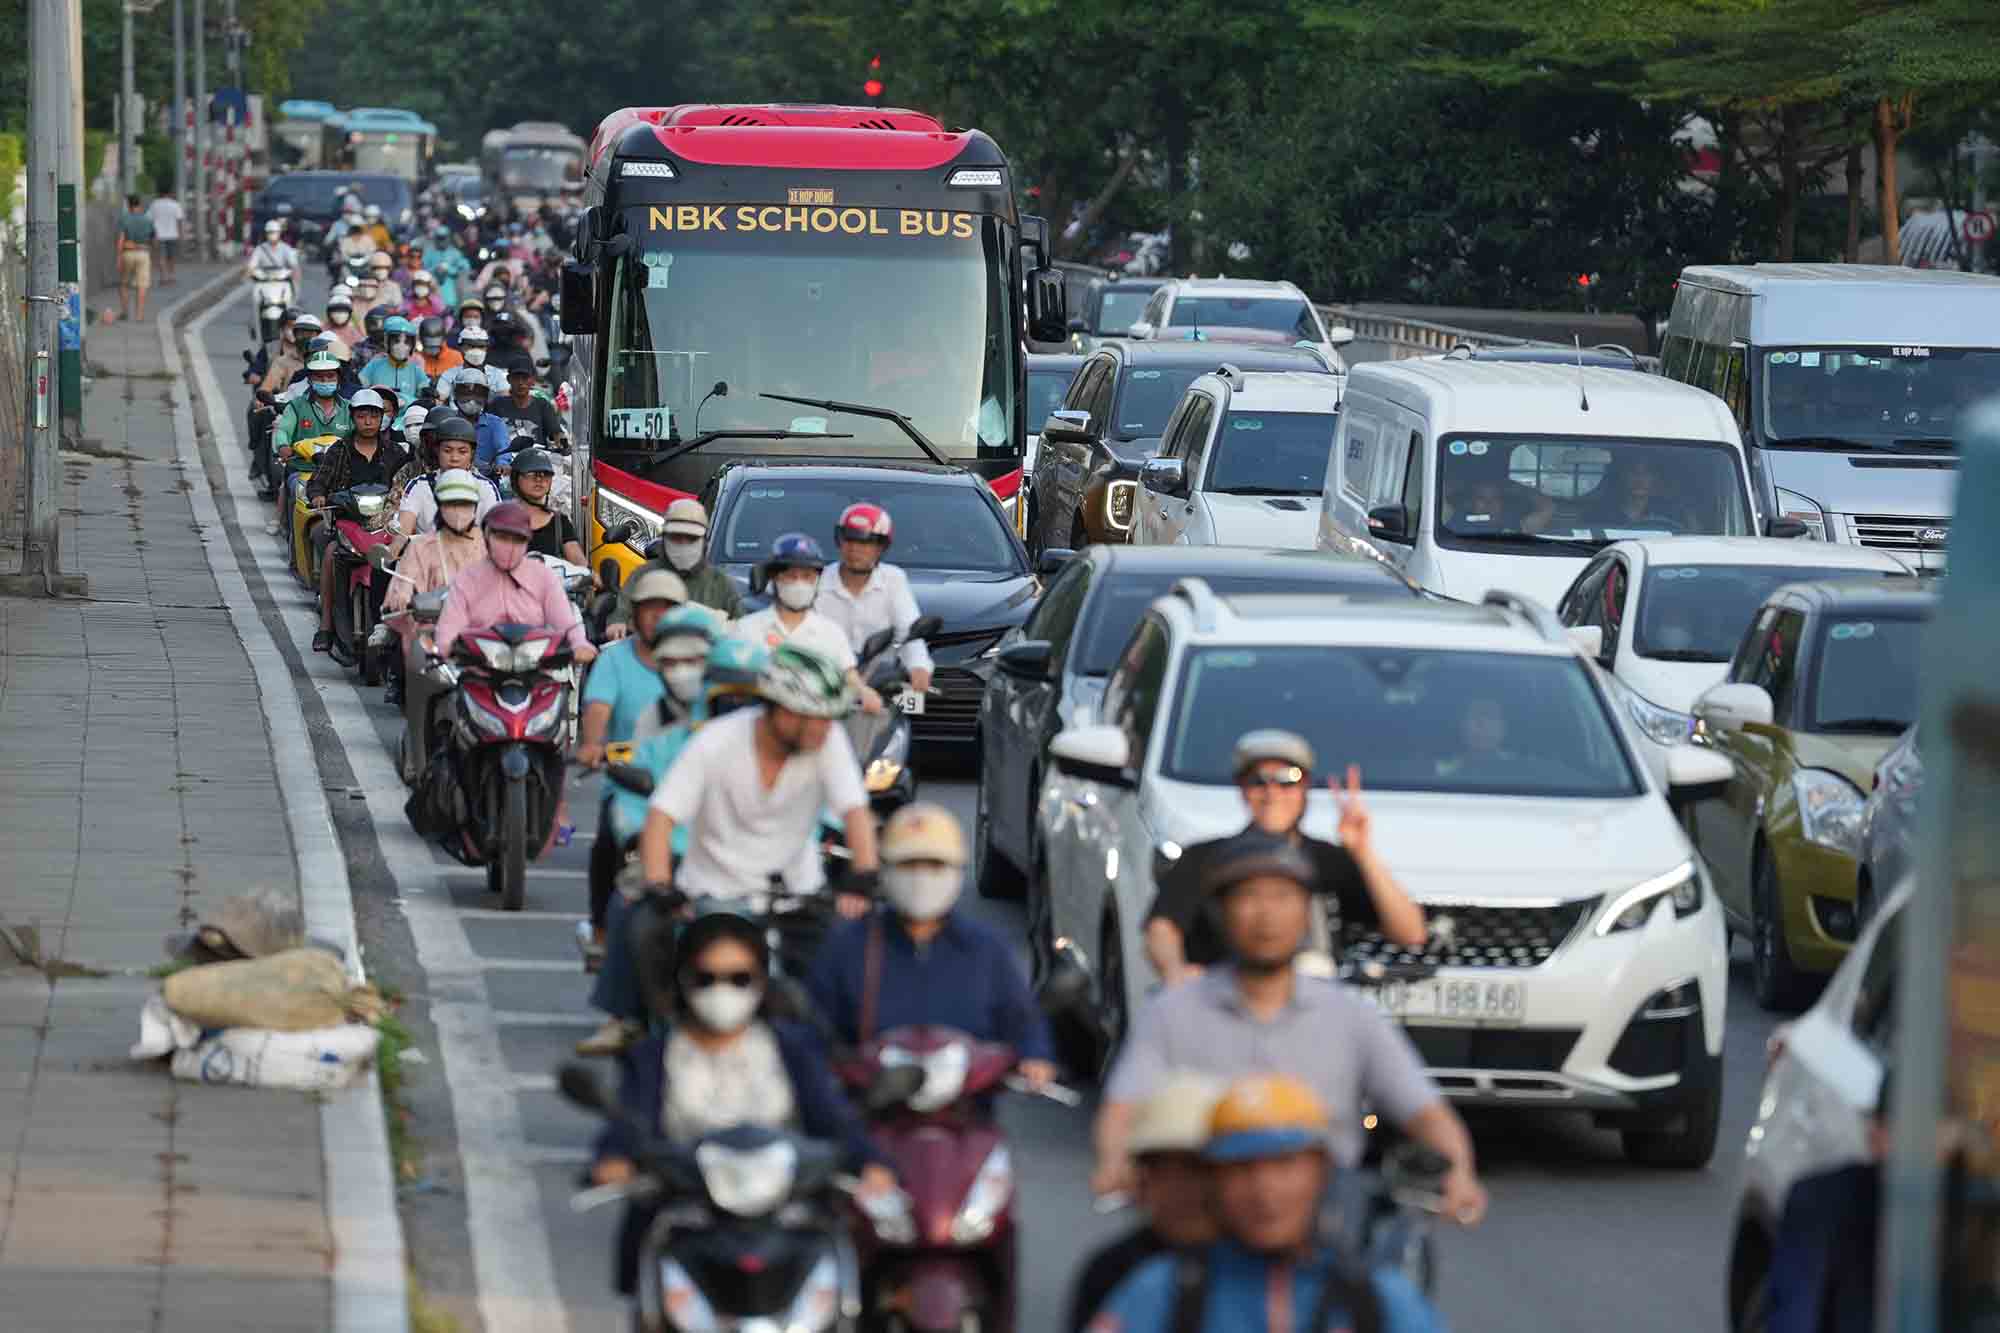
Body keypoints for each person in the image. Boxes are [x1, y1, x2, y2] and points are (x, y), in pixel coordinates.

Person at [1094, 836, 1488, 1225]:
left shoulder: (1352, 1017)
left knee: (1394, 1287)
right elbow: (1124, 1104)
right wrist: (1115, 1161)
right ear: (1221, 913)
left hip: (1330, 1219)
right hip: (1207, 1212)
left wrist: (1459, 1169)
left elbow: (1424, 1110)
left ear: (1305, 914)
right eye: (1248, 897)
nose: (1266, 914)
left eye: (1283, 897)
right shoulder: (1171, 1012)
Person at [588, 906, 896, 1302]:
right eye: (707, 978)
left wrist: (871, 1164)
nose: (723, 990)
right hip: (691, 1220)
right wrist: (614, 1159)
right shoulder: (653, 1056)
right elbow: (629, 1123)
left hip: (785, 1219)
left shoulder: (793, 1048)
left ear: (761, 983)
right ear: (683, 980)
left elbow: (834, 1119)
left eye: (739, 978)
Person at [1087, 1075, 1448, 1333]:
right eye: (1242, 1169)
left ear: (1321, 1172)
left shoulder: (1378, 1303)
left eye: (1285, 1164)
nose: (1264, 1190)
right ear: (1214, 1182)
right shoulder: (1160, 1294)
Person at [580, 628, 751, 1056]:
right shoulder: (669, 738)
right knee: (629, 909)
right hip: (677, 858)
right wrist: (647, 848)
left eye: (750, 697)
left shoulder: (782, 745)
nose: (739, 708)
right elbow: (635, 803)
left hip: (755, 869)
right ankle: (627, 1016)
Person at [1145, 731, 1426, 985]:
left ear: (1305, 788)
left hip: (1315, 1014)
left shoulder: (1330, 861)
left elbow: (1411, 933)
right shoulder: (1205, 858)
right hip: (1226, 1008)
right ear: (1242, 789)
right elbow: (1162, 927)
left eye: (1287, 780)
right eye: (1258, 782)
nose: (1272, 793)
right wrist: (1175, 974)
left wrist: (1362, 851)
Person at [808, 803, 1058, 1077]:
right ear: (886, 870)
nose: (920, 878)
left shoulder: (986, 950)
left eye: (934, 865)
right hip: (872, 1107)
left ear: (956, 871)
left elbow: (1023, 1023)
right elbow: (812, 1034)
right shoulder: (847, 948)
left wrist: (1035, 1058)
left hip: (967, 1109)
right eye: (908, 864)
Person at [637, 643, 877, 914]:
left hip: (798, 895)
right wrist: (659, 885)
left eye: (829, 718)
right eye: (815, 717)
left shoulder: (829, 739)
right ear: (782, 710)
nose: (825, 727)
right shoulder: (715, 741)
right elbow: (661, 816)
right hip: (712, 896)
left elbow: (855, 811)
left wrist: (863, 877)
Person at [1066, 1073, 1226, 1332]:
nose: (1189, 1187)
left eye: (1200, 1168)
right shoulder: (1113, 1271)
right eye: (1169, 1169)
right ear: (1143, 1177)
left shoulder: (1260, 1268)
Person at [306, 388, 410, 663]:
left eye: (373, 416)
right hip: (349, 521)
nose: (368, 421)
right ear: (352, 418)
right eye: (362, 415)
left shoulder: (395, 451)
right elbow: (318, 481)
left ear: (382, 419)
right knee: (331, 555)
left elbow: (407, 482)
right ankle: (327, 626)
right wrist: (318, 495)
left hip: (386, 525)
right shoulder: (339, 450)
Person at [431, 501, 597, 663]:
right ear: (487, 536)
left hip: (534, 670)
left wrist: (579, 644)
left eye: (518, 539)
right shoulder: (467, 579)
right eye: (502, 537)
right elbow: (449, 628)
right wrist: (445, 648)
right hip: (480, 671)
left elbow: (566, 623)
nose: (510, 546)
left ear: (527, 542)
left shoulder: (543, 576)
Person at [736, 535, 882, 714]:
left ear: (817, 581)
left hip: (816, 729)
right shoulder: (746, 629)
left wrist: (864, 693)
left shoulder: (830, 633)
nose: (799, 583)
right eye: (791, 576)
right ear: (775, 579)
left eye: (807, 576)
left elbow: (849, 677)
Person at [815, 502, 934, 697]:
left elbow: (909, 631)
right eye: (849, 540)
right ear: (839, 541)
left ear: (881, 547)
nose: (855, 549)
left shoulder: (894, 580)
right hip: (826, 687)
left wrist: (918, 666)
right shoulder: (817, 583)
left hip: (881, 686)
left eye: (865, 542)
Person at [609, 498, 743, 637]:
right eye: (676, 537)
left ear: (704, 540)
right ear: (665, 538)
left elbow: (741, 629)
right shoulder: (643, 575)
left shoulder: (720, 582)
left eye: (691, 538)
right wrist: (617, 624)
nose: (683, 544)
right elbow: (621, 612)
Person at [268, 350, 353, 535]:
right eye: (319, 377)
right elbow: (283, 430)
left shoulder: (349, 408)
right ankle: (295, 552)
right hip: (303, 470)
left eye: (330, 376)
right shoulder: (297, 406)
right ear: (310, 379)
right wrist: (283, 446)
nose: (325, 381)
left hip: (340, 475)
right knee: (294, 496)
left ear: (339, 377)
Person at [385, 469, 487, 616]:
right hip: (429, 627)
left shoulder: (490, 545)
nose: (458, 510)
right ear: (440, 506)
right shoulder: (419, 547)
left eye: (465, 504)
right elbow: (401, 588)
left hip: (480, 627)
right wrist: (402, 598)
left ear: (475, 507)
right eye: (451, 504)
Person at [396, 416, 498, 538]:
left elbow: (494, 534)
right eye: (447, 451)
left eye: (462, 452)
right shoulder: (419, 485)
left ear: (472, 453)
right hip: (428, 554)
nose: (454, 458)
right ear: (437, 450)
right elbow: (403, 532)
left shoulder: (485, 487)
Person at [508, 448, 585, 564]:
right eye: (531, 474)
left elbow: (580, 564)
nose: (539, 479)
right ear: (516, 478)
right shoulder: (502, 520)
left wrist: (593, 576)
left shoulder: (560, 522)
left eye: (545, 474)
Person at [1587, 455, 1688, 531]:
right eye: (1633, 472)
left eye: (1646, 473)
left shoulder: (1670, 513)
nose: (1640, 479)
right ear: (1623, 477)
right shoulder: (1600, 514)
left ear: (1655, 479)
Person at [488, 360, 567, 451]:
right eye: (516, 378)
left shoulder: (543, 405)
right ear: (509, 379)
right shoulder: (497, 405)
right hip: (504, 459)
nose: (521, 383)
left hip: (536, 459)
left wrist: (564, 445)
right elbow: (486, 432)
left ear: (533, 380)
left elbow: (556, 433)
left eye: (525, 378)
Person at [361, 315, 430, 405]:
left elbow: (424, 391)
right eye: (396, 341)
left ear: (412, 345)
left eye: (406, 342)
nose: (401, 346)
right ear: (387, 342)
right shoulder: (375, 365)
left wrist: (427, 392)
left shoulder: (415, 369)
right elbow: (360, 385)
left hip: (407, 415)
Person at [116, 194, 155, 322]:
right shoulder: (148, 220)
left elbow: (121, 240)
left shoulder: (124, 219)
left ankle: (125, 312)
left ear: (128, 205)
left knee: (123, 284)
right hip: (143, 253)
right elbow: (153, 240)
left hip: (128, 253)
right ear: (140, 205)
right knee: (142, 286)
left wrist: (119, 257)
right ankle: (139, 315)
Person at [246, 217, 303, 298]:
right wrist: (250, 272)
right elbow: (251, 265)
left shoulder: (287, 246)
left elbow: (295, 262)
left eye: (275, 232)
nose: (272, 235)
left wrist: (295, 273)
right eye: (270, 232)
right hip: (266, 275)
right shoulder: (261, 248)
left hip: (283, 273)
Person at [147, 186, 183, 286]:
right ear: (170, 193)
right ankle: (171, 276)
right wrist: (180, 233)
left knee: (160, 257)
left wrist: (151, 235)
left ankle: (163, 277)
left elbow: (149, 219)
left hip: (158, 235)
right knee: (171, 257)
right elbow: (179, 220)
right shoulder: (175, 205)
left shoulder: (154, 204)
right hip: (173, 234)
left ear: (159, 194)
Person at [415, 316, 462, 382]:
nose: (432, 350)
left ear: (443, 340)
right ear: (422, 341)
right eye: (428, 346)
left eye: (436, 346)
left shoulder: (455, 357)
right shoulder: (416, 358)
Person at [325, 285, 364, 350]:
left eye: (344, 311)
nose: (340, 314)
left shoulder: (355, 332)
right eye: (335, 311)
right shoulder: (322, 329)